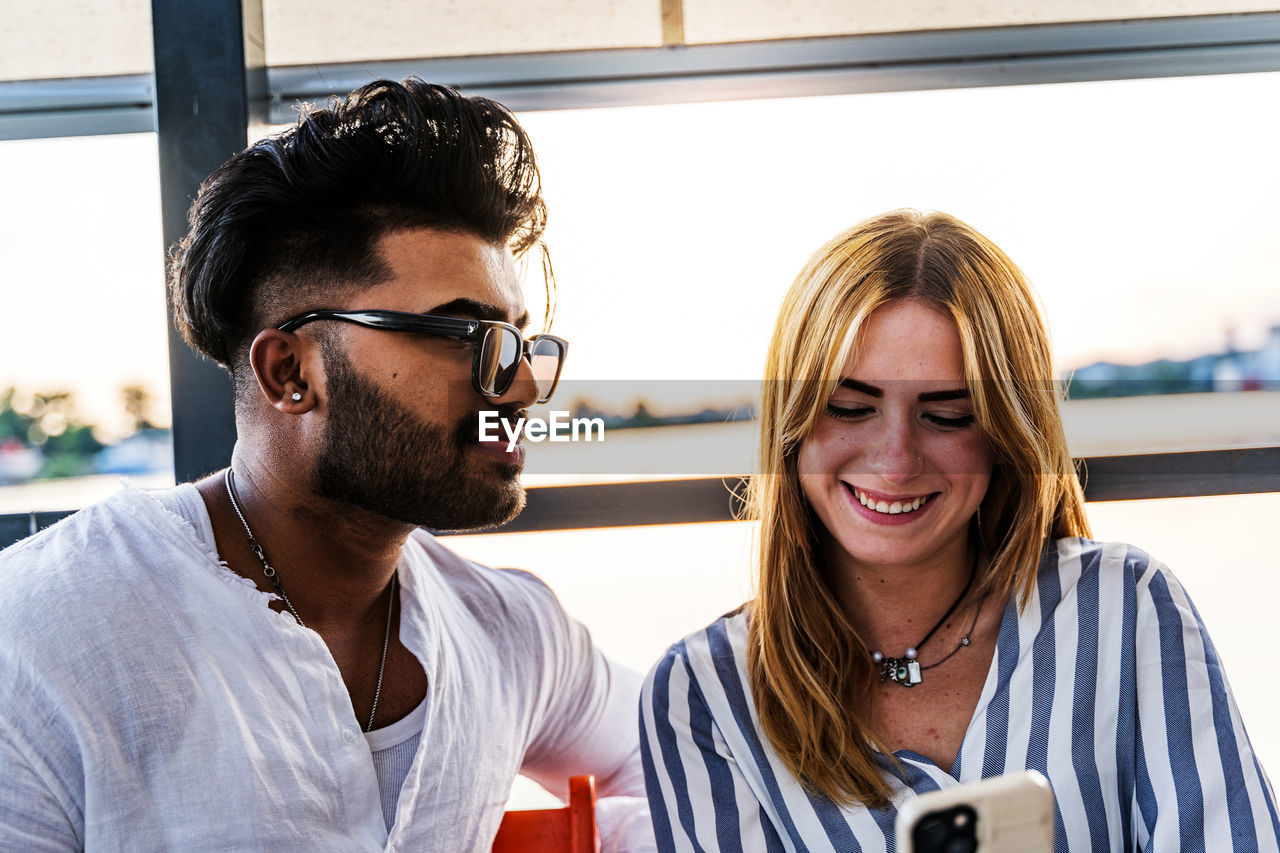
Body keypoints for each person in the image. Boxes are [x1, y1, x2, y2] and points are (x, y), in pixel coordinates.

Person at [0, 79, 651, 851]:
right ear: (289, 373)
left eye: (517, 341)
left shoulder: (509, 631)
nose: (520, 386)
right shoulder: (41, 640)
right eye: (462, 337)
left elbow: (684, 766)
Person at [639, 209, 1279, 851]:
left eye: (946, 414)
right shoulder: (703, 696)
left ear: (1006, 436)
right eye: (849, 407)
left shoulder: (1125, 608)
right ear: (793, 420)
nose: (895, 460)